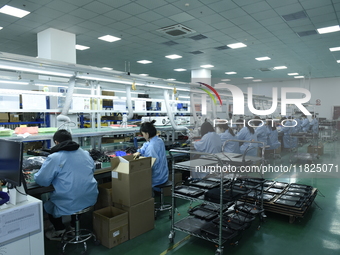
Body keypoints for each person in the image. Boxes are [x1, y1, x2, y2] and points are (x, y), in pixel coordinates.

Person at [34, 130, 98, 241]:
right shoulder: (85, 153)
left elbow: (42, 181)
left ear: (56, 142)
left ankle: (59, 231)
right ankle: (74, 226)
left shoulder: (55, 157)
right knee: (77, 196)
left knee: (49, 203)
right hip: (89, 197)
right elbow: (92, 170)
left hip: (70, 200)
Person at [133, 120, 168, 191]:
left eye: (143, 134)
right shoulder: (158, 140)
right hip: (164, 174)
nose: (143, 136)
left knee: (134, 177)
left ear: (147, 134)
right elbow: (146, 144)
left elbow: (150, 164)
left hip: (157, 178)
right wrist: (139, 151)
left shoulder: (151, 147)